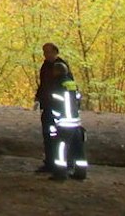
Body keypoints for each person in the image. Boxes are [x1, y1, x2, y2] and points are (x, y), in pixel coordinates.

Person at [33, 43, 75, 174]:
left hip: (60, 110)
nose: (45, 55)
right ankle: (50, 162)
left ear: (55, 52)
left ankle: (65, 165)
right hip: (47, 106)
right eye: (44, 52)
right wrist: (38, 98)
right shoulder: (45, 66)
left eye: (47, 52)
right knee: (48, 135)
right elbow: (43, 84)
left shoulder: (61, 66)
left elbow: (69, 88)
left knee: (61, 138)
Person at [43, 73, 90, 181]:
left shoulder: (57, 89)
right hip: (76, 124)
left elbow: (55, 109)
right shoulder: (74, 88)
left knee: (60, 150)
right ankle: (81, 173)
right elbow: (78, 104)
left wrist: (54, 125)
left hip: (64, 125)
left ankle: (60, 174)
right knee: (78, 150)